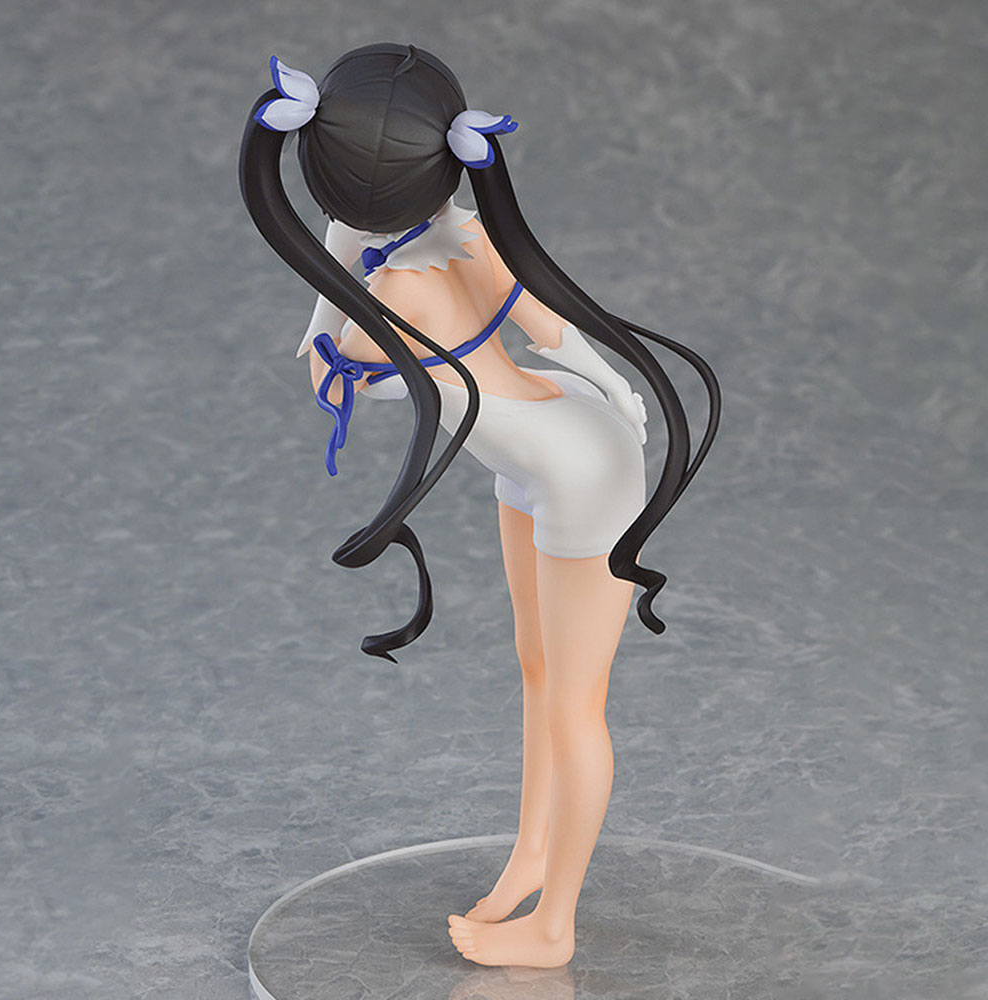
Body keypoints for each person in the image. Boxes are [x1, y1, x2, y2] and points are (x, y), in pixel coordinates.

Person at [239, 42, 720, 969]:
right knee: (536, 666)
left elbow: (341, 369)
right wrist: (611, 385)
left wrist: (619, 392)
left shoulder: (400, 287)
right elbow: (545, 329)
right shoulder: (454, 232)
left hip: (578, 471)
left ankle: (555, 924)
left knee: (576, 701)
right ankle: (531, 854)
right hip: (542, 448)